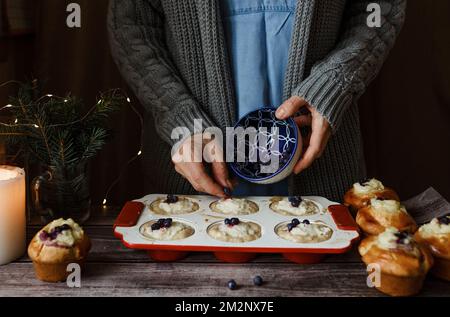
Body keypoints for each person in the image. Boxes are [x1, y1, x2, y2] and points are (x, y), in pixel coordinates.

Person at [108, 0, 406, 202]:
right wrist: (178, 115)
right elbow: (131, 25)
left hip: (323, 177)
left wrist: (334, 83)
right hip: (191, 186)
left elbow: (380, 8)